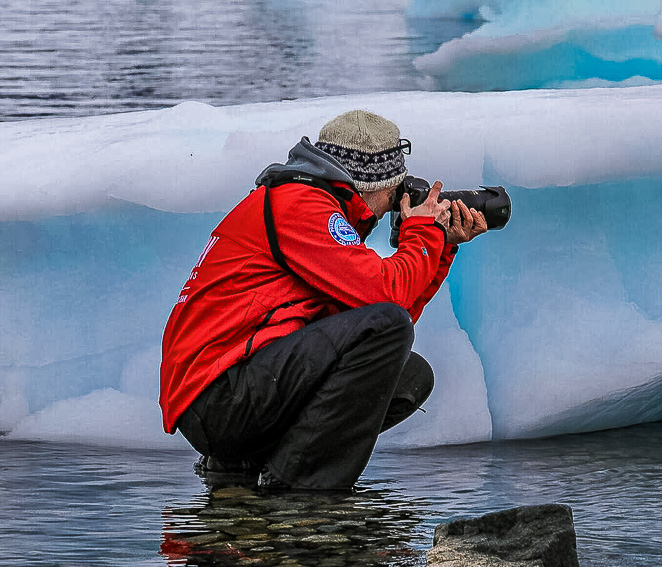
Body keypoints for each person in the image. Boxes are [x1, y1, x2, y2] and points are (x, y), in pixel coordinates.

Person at [159, 110, 487, 490]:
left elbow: (385, 327)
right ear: (371, 183)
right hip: (219, 396)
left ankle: (248, 471)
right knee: (386, 329)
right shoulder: (301, 205)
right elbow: (386, 303)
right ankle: (304, 494)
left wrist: (440, 247)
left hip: (230, 390)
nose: (396, 202)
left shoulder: (308, 205)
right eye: (395, 190)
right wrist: (421, 233)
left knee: (408, 376)